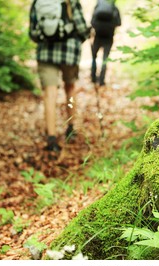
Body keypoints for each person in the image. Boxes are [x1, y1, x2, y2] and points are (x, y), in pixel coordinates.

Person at [29, 0, 90, 152]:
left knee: (50, 93)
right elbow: (82, 27)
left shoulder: (38, 1)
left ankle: (51, 138)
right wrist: (83, 36)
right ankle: (71, 126)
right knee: (70, 88)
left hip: (45, 52)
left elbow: (32, 32)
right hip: (69, 52)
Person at [91, 0, 121, 86]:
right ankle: (101, 80)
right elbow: (119, 23)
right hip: (109, 37)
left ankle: (93, 78)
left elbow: (92, 22)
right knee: (105, 59)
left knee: (94, 57)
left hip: (98, 36)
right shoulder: (114, 8)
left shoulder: (98, 6)